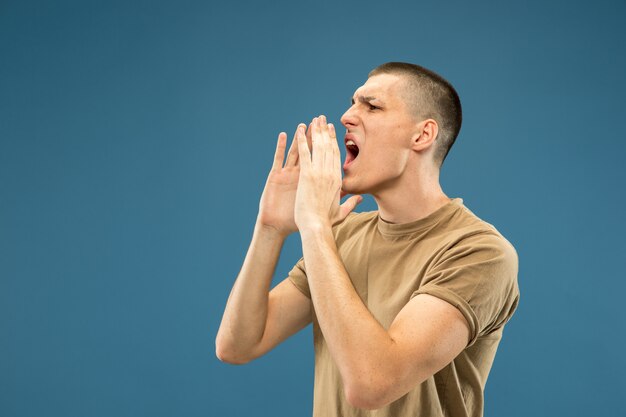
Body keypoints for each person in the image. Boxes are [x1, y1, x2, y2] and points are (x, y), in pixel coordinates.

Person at [215, 62, 520, 417]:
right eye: (352, 103)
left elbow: (372, 384)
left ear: (422, 136)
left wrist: (314, 227)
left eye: (371, 106)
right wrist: (270, 228)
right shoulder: (342, 235)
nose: (346, 116)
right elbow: (237, 345)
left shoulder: (479, 252)